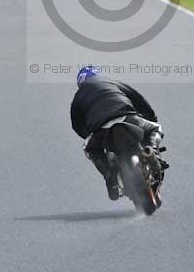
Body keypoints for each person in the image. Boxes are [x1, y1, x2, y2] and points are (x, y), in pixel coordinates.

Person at [70, 65, 165, 200]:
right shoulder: (112, 82)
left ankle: (110, 176)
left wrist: (91, 134)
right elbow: (140, 100)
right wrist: (150, 119)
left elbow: (77, 125)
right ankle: (152, 150)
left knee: (89, 149)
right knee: (156, 128)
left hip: (101, 129)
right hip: (128, 118)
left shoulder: (78, 96)